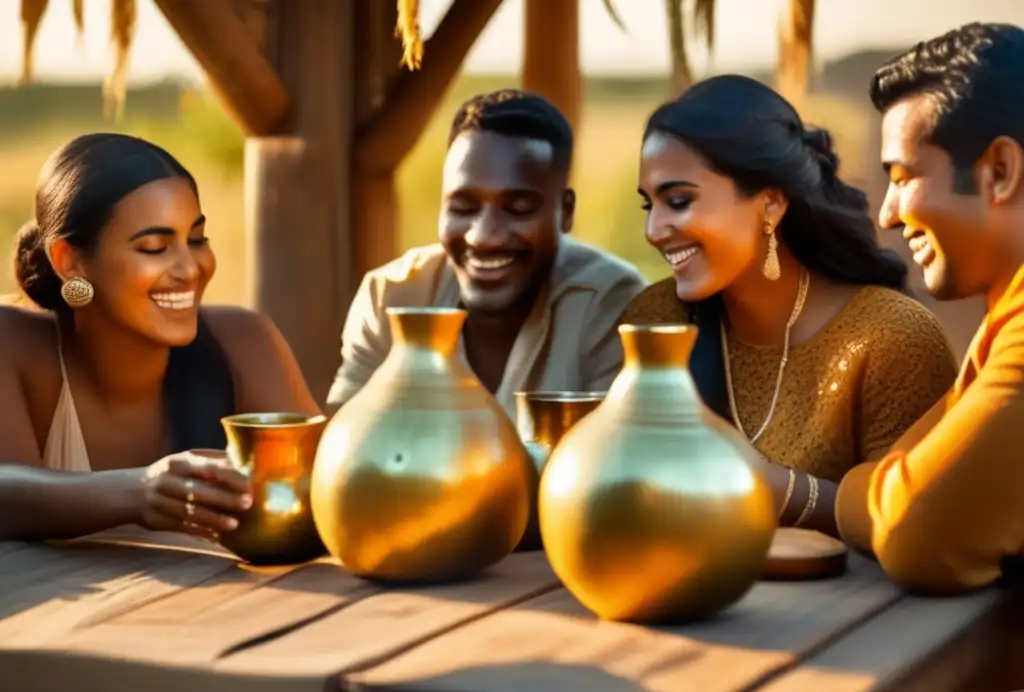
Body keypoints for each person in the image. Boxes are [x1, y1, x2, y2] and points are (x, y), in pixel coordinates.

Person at [619, 74, 958, 537]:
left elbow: (920, 522)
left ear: (771, 204)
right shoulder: (655, 322)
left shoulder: (889, 340)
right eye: (648, 206)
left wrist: (782, 492)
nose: (654, 230)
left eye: (678, 201)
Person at [829, 23, 1024, 692]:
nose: (885, 212)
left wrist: (858, 493)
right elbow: (917, 469)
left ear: (1000, 170)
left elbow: (918, 530)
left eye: (904, 175)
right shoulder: (999, 326)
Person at [0, 133, 318, 546]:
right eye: (154, 247)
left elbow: (329, 489)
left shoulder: (246, 342)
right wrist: (138, 491)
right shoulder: (17, 345)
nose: (190, 268)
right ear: (71, 262)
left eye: (197, 240)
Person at [326, 89, 648, 418]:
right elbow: (343, 444)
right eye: (463, 207)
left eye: (518, 209)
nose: (483, 236)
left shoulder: (612, 302)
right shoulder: (391, 297)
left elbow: (617, 456)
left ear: (565, 212)